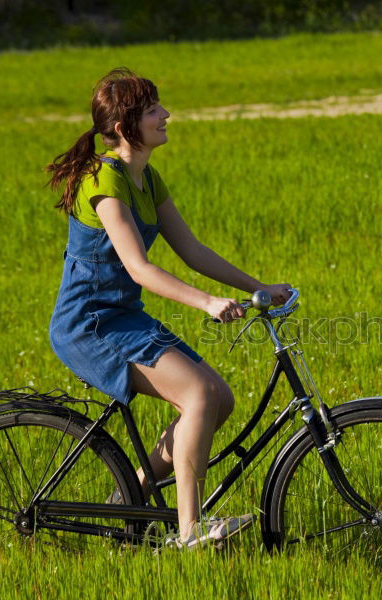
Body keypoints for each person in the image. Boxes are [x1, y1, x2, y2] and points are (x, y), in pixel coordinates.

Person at [46, 68, 291, 549]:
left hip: (122, 319)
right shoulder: (103, 179)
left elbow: (192, 250)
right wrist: (205, 302)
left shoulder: (146, 178)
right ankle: (190, 530)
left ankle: (132, 494)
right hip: (89, 326)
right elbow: (138, 267)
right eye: (153, 109)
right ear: (124, 128)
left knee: (218, 399)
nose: (166, 115)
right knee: (198, 394)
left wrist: (257, 286)